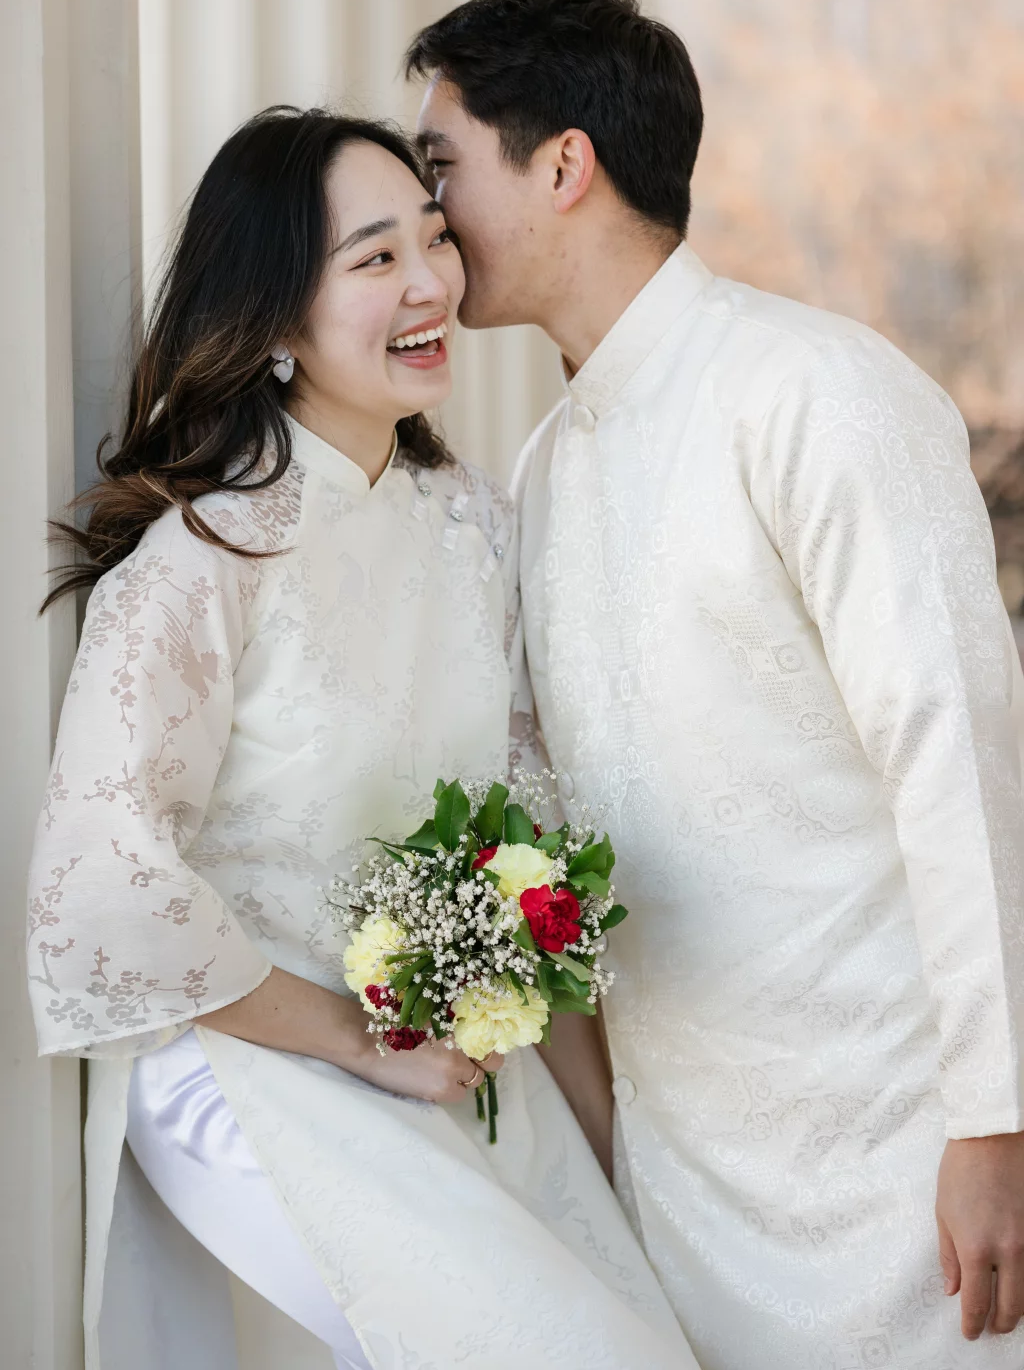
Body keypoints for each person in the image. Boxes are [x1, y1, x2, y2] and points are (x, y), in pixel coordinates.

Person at [408, 0, 1024, 1369]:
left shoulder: (820, 394)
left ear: (565, 164)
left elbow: (958, 754)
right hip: (686, 1189)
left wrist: (996, 1123)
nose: (427, 216)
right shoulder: (551, 466)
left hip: (904, 1171)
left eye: (443, 166)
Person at [26, 106, 695, 1370]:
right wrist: (358, 1044)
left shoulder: (475, 529)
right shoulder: (201, 564)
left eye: (434, 240)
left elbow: (526, 851)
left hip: (448, 1058)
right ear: (275, 317)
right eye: (375, 257)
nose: (431, 281)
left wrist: (626, 1172)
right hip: (249, 1059)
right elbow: (103, 893)